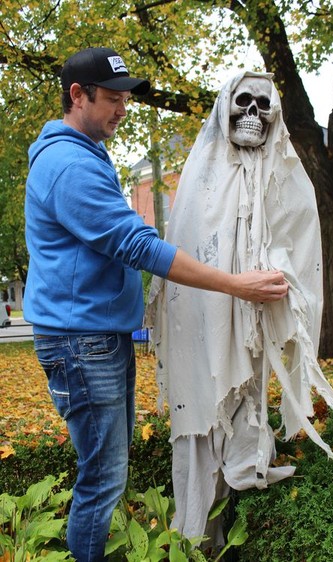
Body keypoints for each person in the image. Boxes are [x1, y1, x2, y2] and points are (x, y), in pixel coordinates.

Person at [23, 48, 289, 562]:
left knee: (107, 473)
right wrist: (237, 284)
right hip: (82, 344)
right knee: (102, 481)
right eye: (112, 100)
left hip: (98, 337)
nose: (121, 110)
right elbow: (136, 245)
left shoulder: (86, 152)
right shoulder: (67, 165)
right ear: (77, 95)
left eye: (126, 100)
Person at [145, 71, 333, 545]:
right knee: (204, 420)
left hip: (257, 322)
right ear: (226, 109)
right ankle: (196, 541)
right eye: (243, 102)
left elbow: (300, 245)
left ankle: (238, 492)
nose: (253, 115)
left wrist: (277, 279)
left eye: (263, 106)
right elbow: (186, 248)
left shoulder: (285, 175)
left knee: (246, 407)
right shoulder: (201, 176)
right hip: (205, 323)